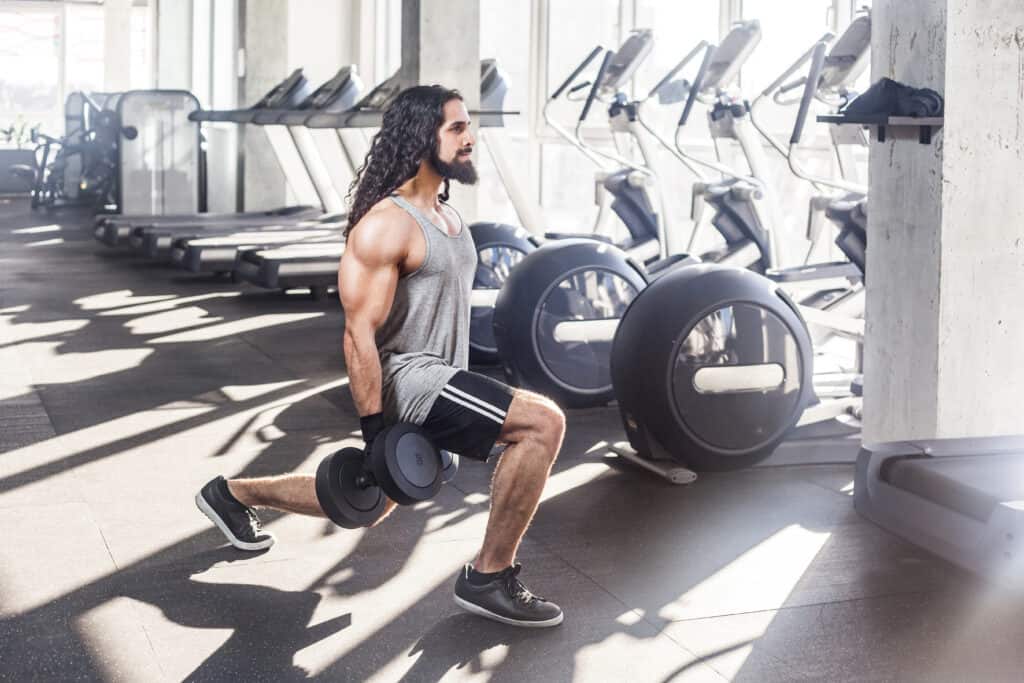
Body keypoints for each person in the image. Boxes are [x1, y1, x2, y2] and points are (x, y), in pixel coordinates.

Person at [196, 85, 566, 628]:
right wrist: (374, 430)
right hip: (414, 381)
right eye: (457, 128)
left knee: (367, 501)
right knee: (542, 424)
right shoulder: (386, 225)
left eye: (469, 126)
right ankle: (489, 577)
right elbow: (358, 335)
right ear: (422, 137)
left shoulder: (444, 213)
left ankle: (231, 494)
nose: (471, 137)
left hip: (444, 375)